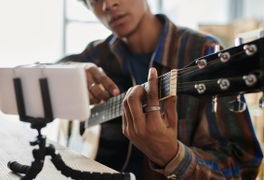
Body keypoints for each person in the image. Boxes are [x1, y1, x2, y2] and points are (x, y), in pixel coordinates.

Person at [58, 0, 263, 179]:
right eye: (94, 0)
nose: (108, 4)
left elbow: (241, 167)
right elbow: (40, 77)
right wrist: (72, 72)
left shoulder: (203, 51)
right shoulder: (97, 55)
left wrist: (172, 156)